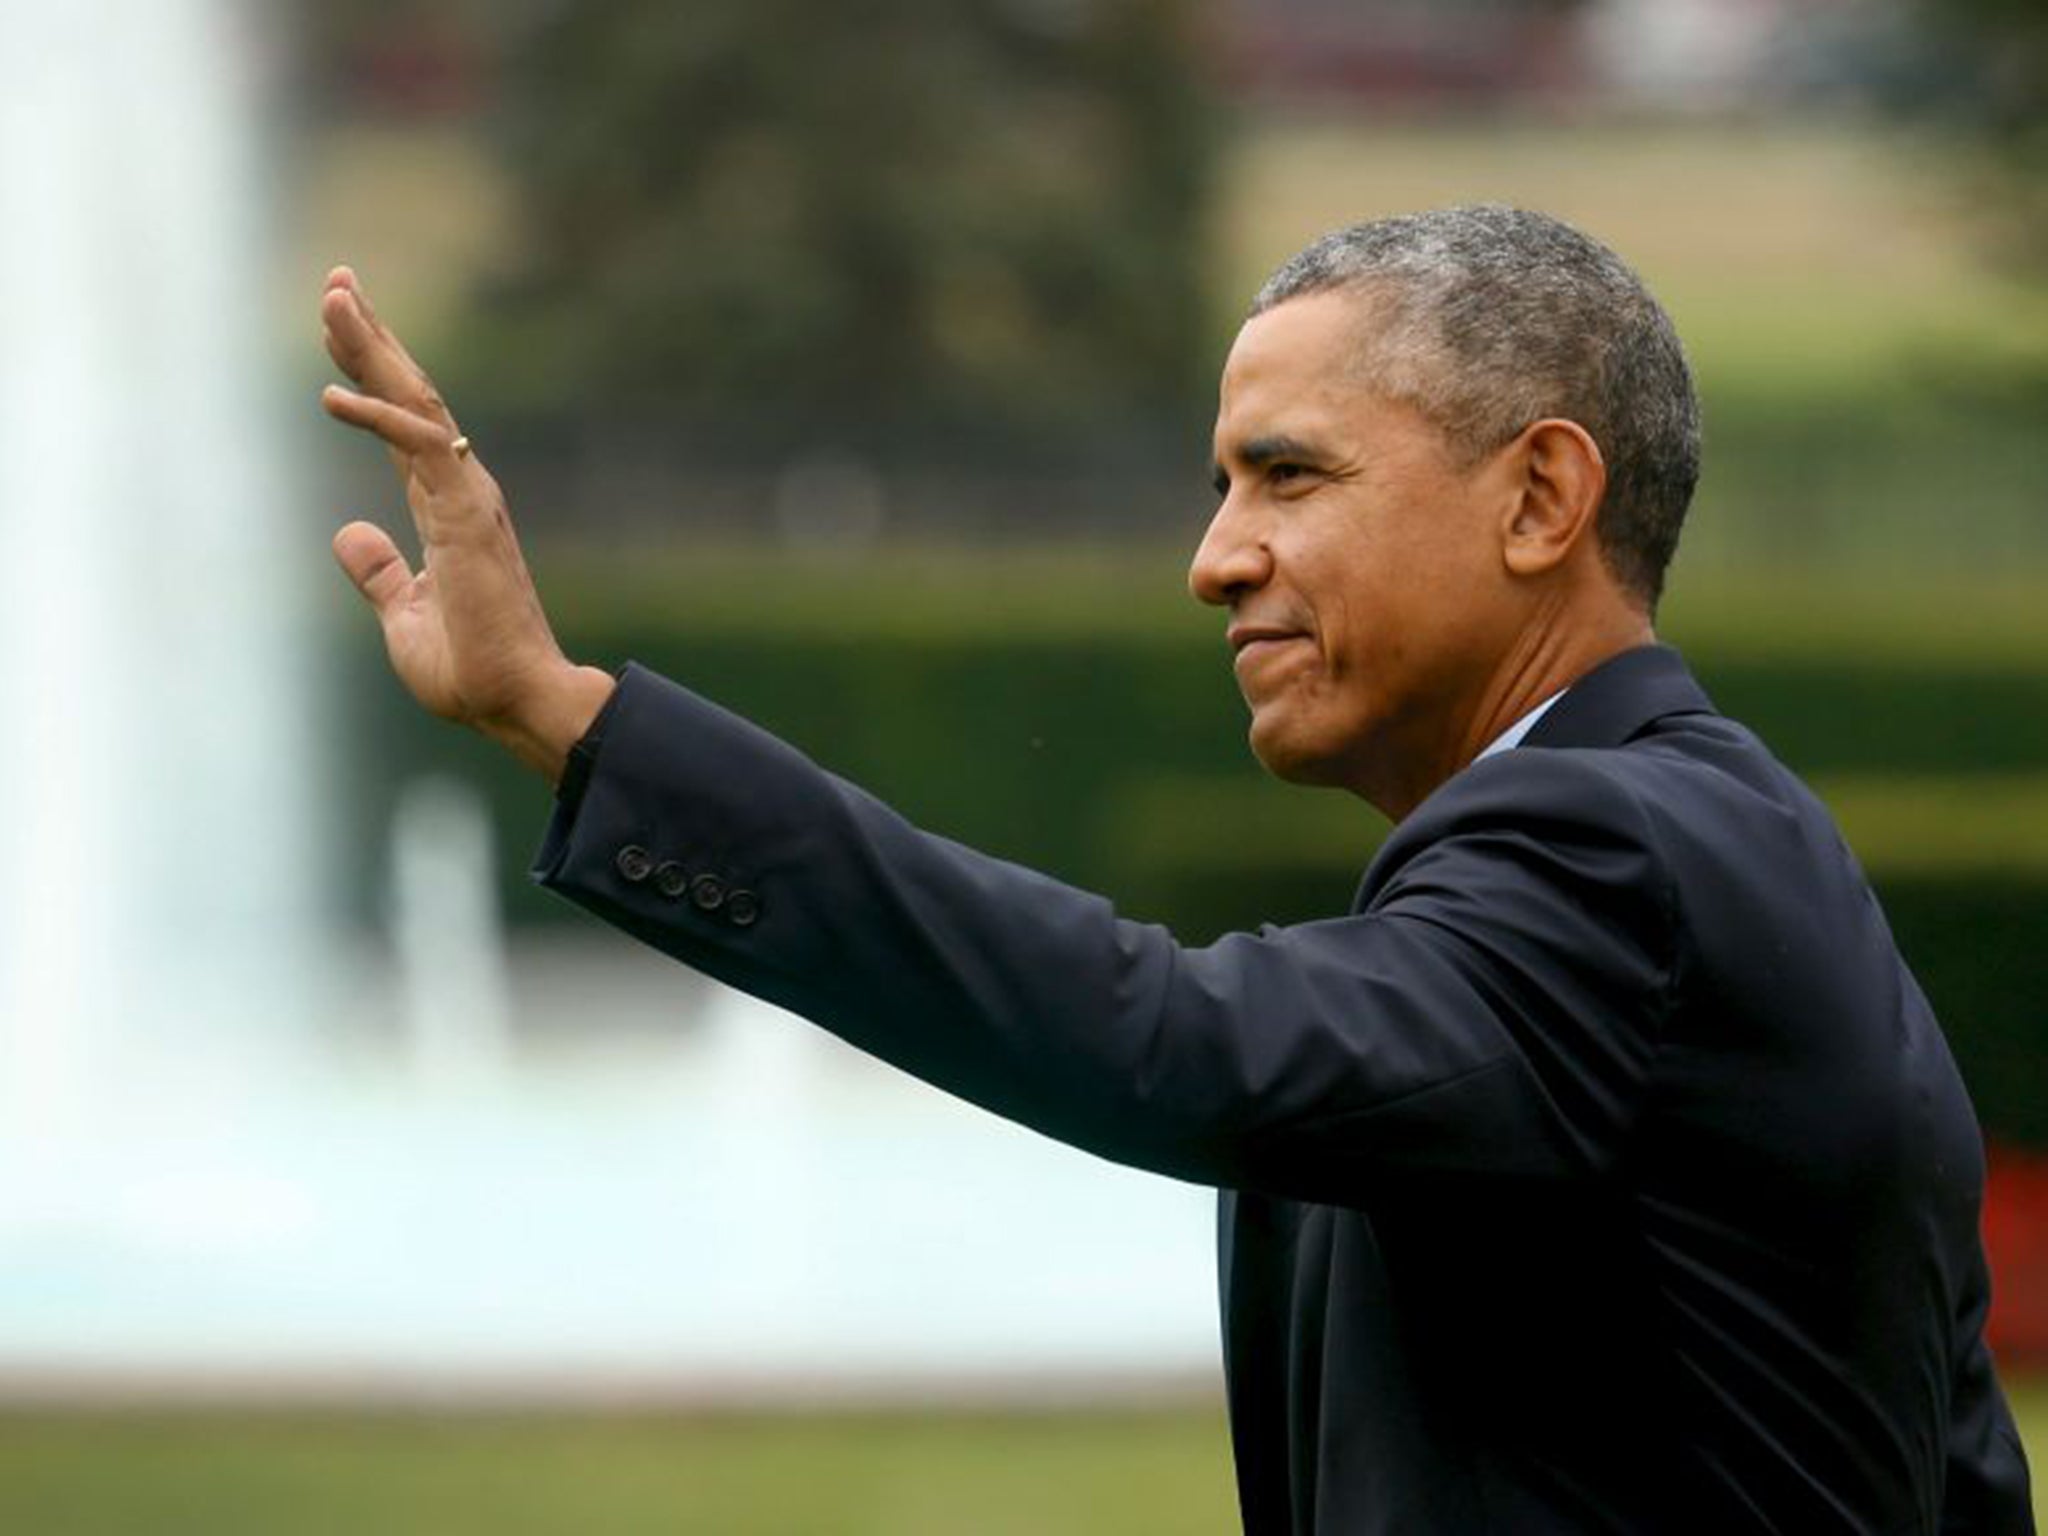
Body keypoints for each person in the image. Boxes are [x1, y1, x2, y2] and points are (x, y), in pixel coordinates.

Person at [321, 206, 2035, 1533]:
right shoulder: (1717, 847)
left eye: (1287, 476)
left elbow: (1171, 1038)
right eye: (1222, 485)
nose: (1216, 561)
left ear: (1541, 500)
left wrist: (578, 724)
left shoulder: (1618, 854)